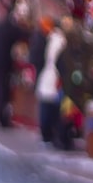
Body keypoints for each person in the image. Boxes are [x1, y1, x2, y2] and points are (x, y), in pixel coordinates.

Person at [34, 19, 67, 148]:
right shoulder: (59, 41)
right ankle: (52, 136)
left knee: (47, 106)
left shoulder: (50, 39)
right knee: (53, 108)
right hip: (54, 78)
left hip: (48, 76)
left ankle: (47, 135)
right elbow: (58, 61)